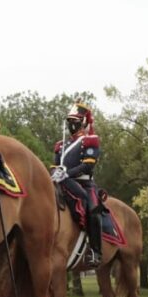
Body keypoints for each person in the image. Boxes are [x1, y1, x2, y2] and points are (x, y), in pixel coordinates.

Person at [52, 102, 103, 266]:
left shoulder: (90, 141)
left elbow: (88, 165)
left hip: (84, 184)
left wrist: (67, 173)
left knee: (93, 211)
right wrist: (55, 173)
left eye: (75, 121)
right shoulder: (61, 145)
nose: (71, 125)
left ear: (83, 122)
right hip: (61, 182)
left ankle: (96, 251)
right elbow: (54, 165)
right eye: (69, 121)